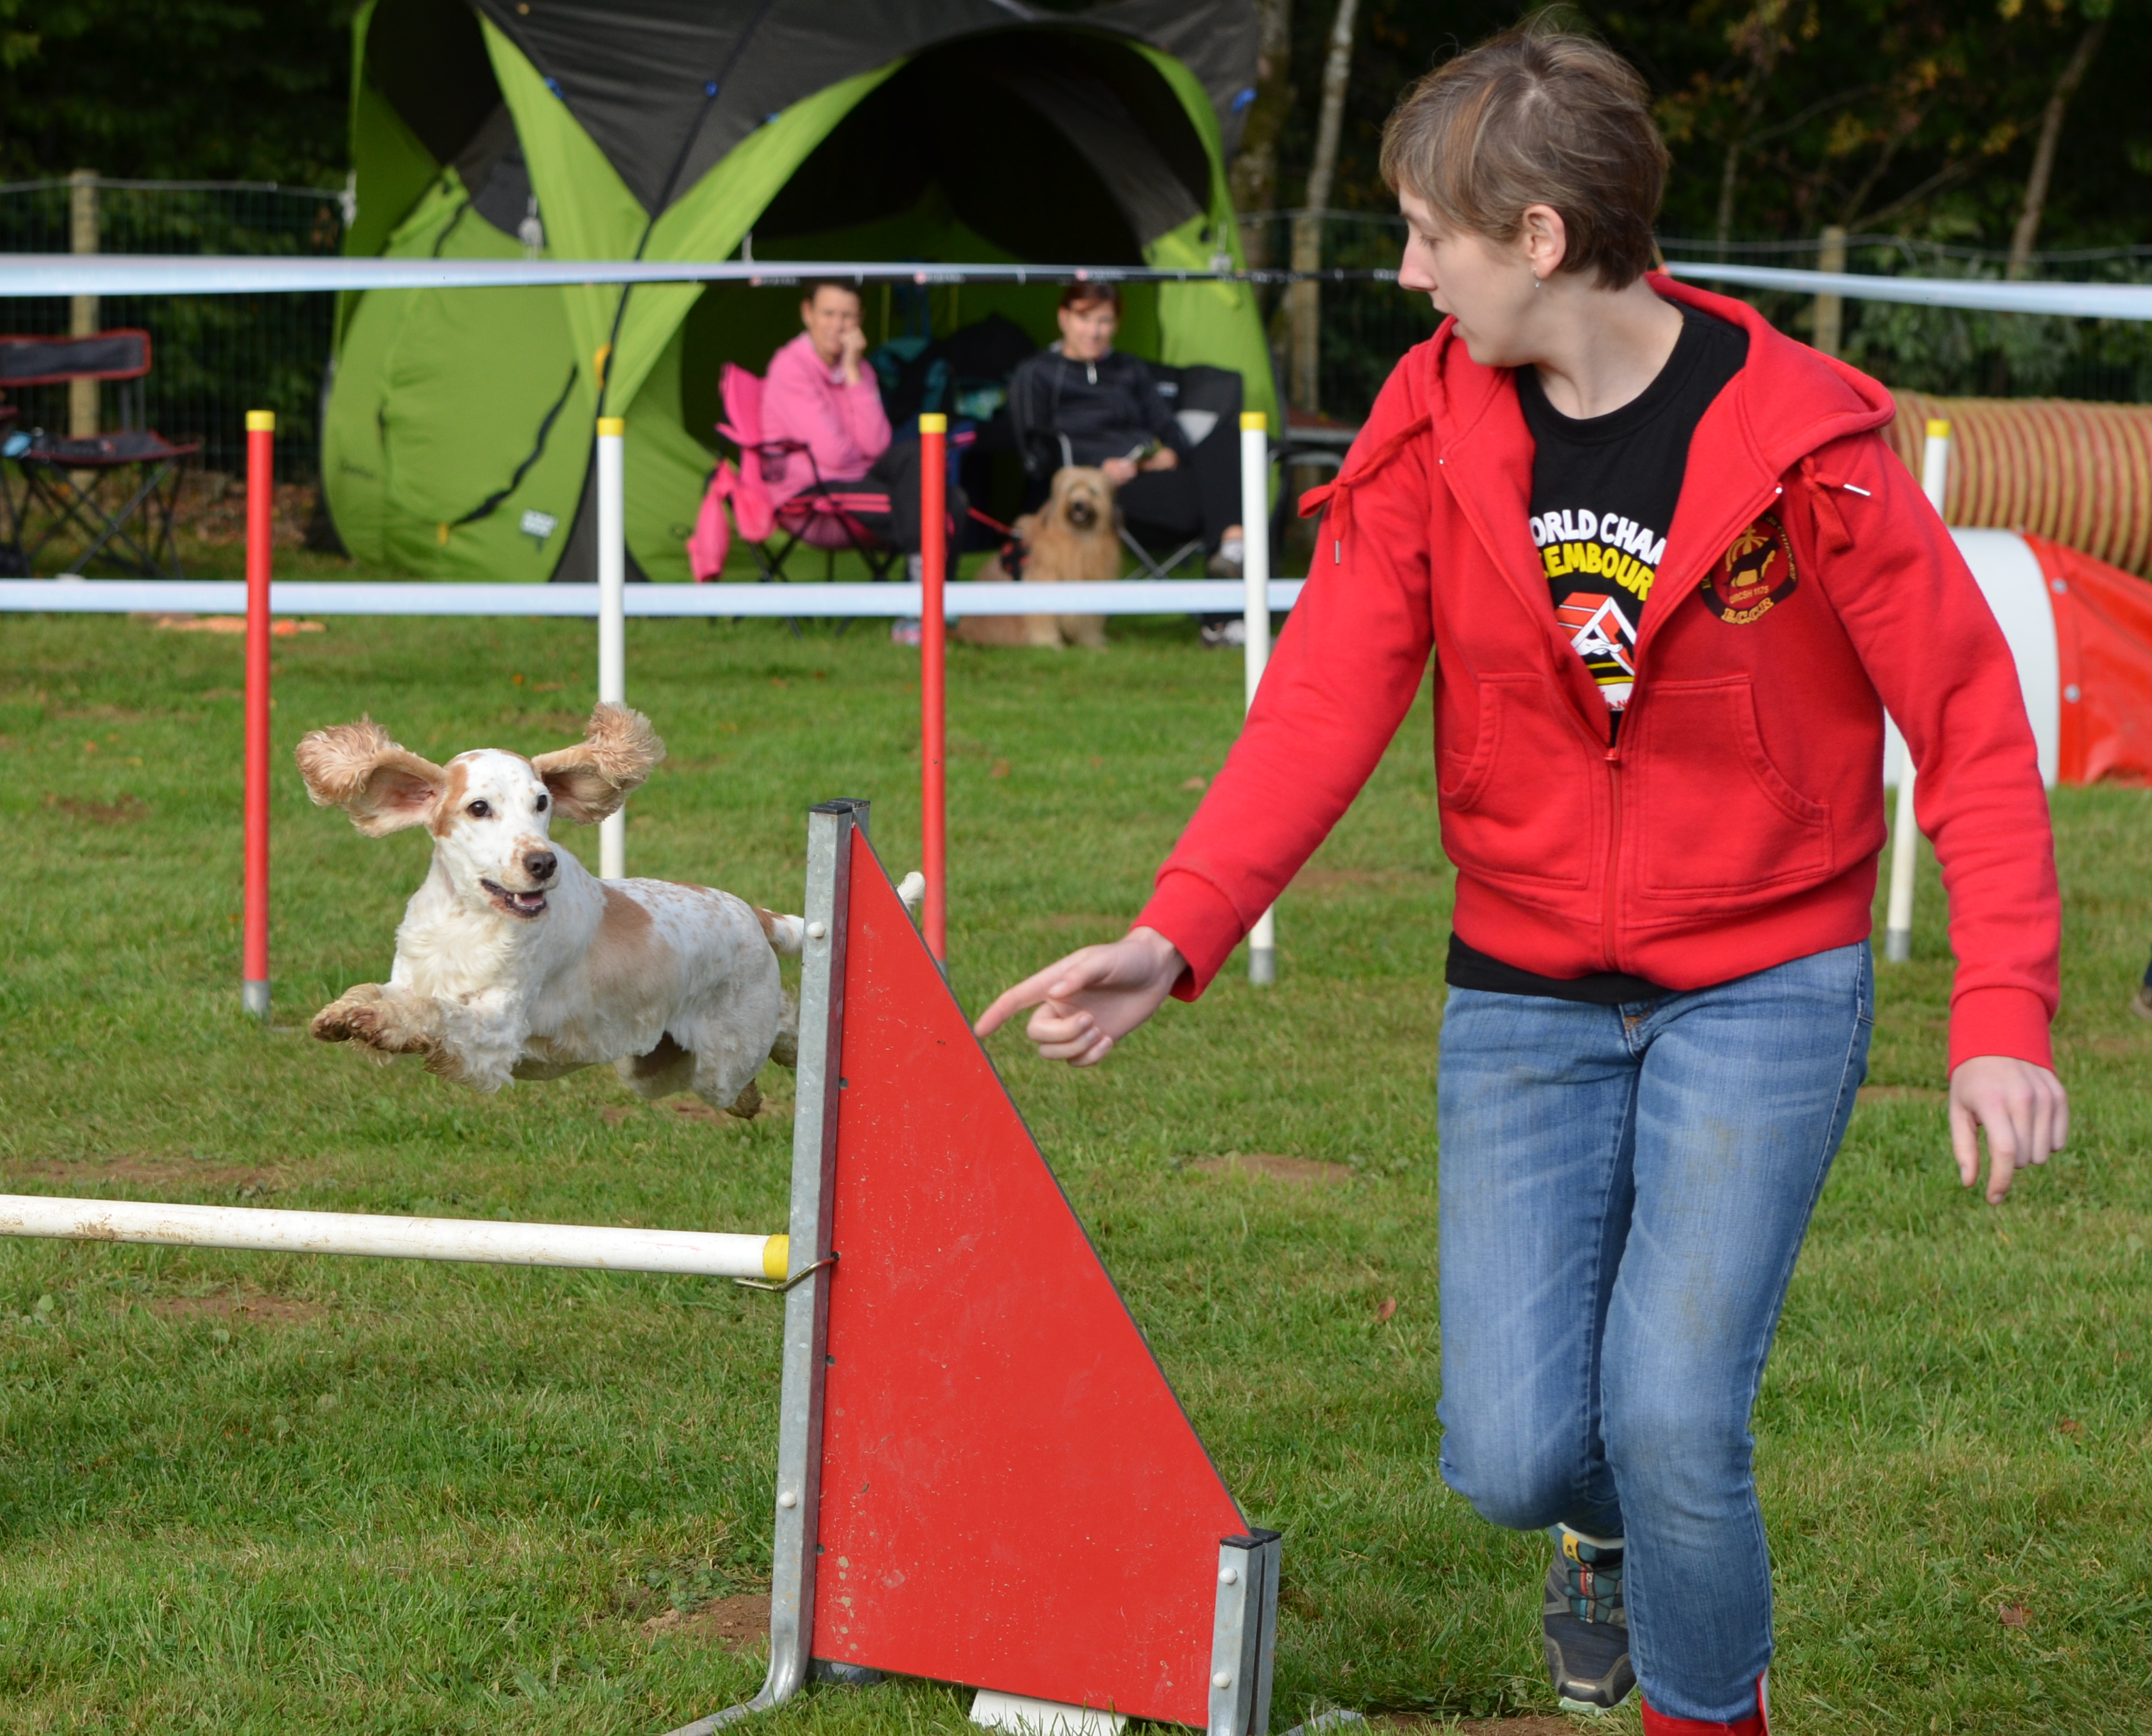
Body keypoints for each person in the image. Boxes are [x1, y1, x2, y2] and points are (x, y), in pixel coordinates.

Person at [976, 26, 2063, 1736]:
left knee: (1678, 1414)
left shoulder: (1811, 441)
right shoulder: (1429, 424)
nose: (1411, 275)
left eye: (1431, 236)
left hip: (1764, 984)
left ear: (1542, 238)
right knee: (1512, 1453)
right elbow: (1323, 701)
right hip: (1524, 991)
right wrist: (1177, 930)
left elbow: (1975, 728)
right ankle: (1600, 1535)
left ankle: (1706, 1707)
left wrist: (2001, 1010)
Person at [1007, 280, 1245, 560]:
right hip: (1099, 492)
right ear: (1064, 318)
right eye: (1084, 319)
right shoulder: (1037, 372)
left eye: (1104, 321)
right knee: (1225, 497)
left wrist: (1169, 453)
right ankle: (1235, 550)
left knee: (1228, 438)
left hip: (1153, 474)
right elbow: (1035, 454)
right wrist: (1098, 470)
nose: (1094, 332)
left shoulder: (1130, 368)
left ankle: (1232, 547)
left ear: (1117, 324)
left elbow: (1170, 429)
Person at [758, 279, 962, 565]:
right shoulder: (790, 367)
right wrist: (876, 469)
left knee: (939, 482)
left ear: (860, 319)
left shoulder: (860, 367)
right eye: (828, 313)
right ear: (807, 313)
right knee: (929, 506)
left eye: (847, 316)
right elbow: (833, 456)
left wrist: (853, 371)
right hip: (809, 494)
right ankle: (924, 586)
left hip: (856, 481)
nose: (837, 325)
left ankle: (922, 588)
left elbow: (877, 446)